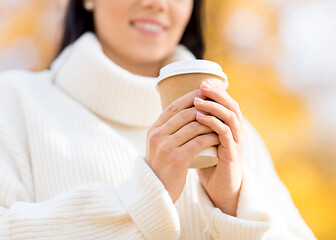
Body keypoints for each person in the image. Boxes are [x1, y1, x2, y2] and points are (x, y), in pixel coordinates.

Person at [0, 0, 317, 239]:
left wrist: (234, 205)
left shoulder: (236, 136)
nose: (157, 3)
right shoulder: (14, 102)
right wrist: (141, 202)